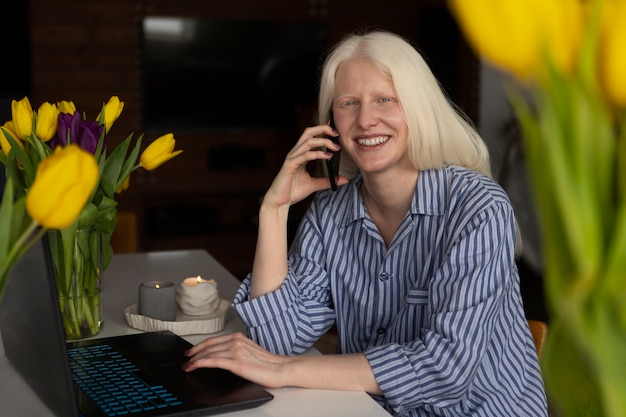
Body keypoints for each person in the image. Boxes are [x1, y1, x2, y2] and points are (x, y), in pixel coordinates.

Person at [183, 30, 548, 416]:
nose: (366, 120)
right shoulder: (330, 214)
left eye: (385, 99)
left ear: (419, 108)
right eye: (348, 103)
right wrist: (273, 211)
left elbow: (445, 368)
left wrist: (287, 369)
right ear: (331, 123)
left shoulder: (478, 208)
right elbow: (277, 339)